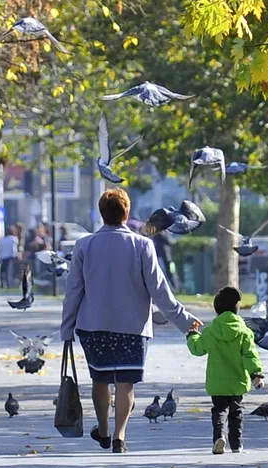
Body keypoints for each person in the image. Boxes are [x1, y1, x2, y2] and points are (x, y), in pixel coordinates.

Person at [60, 188, 199, 454]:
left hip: (94, 327)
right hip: (133, 329)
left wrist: (67, 329)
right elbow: (160, 291)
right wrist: (184, 321)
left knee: (100, 381)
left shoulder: (84, 245)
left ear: (102, 213)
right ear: (126, 213)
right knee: (125, 383)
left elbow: (74, 291)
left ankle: (103, 430)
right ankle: (120, 437)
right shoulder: (143, 245)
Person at [185, 286, 264, 455]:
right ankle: (237, 444)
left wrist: (192, 335)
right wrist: (256, 374)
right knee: (236, 412)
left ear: (217, 310)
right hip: (237, 381)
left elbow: (197, 349)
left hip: (217, 382)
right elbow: (250, 355)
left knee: (219, 410)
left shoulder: (211, 332)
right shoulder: (244, 332)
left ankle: (219, 436)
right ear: (236, 310)